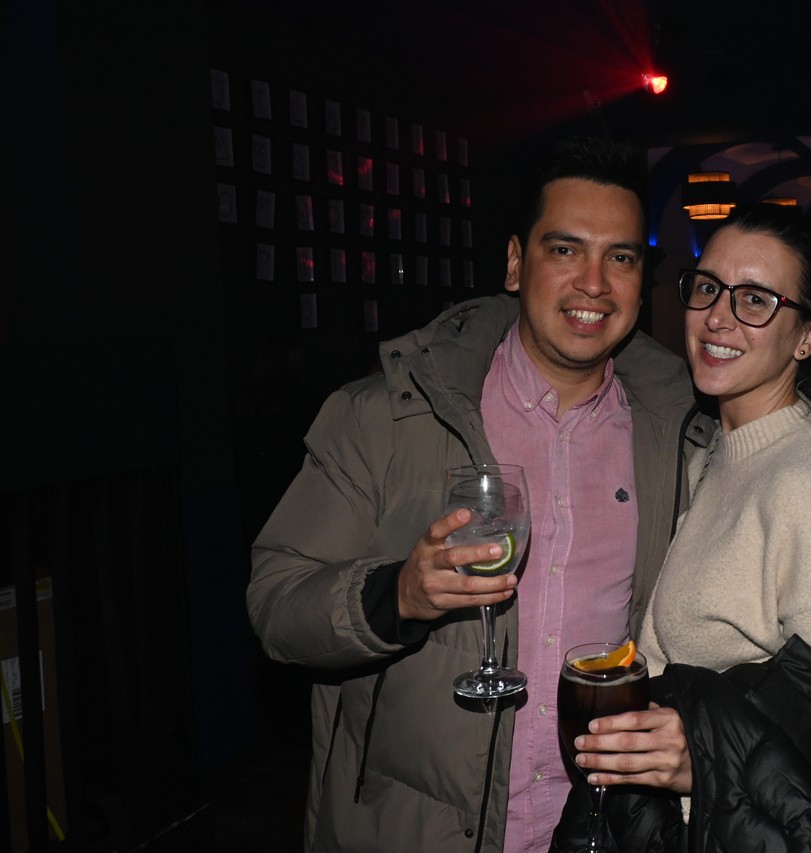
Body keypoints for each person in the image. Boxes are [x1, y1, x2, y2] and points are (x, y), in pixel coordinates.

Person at [246, 135, 716, 853]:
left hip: (597, 829)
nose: (594, 283)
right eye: (565, 249)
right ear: (515, 263)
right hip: (416, 831)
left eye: (620, 258)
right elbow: (276, 605)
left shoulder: (682, 437)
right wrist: (398, 594)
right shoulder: (385, 416)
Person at [554, 203, 811, 851]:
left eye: (756, 299)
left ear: (808, 337)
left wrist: (704, 758)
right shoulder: (716, 449)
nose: (717, 317)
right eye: (708, 287)